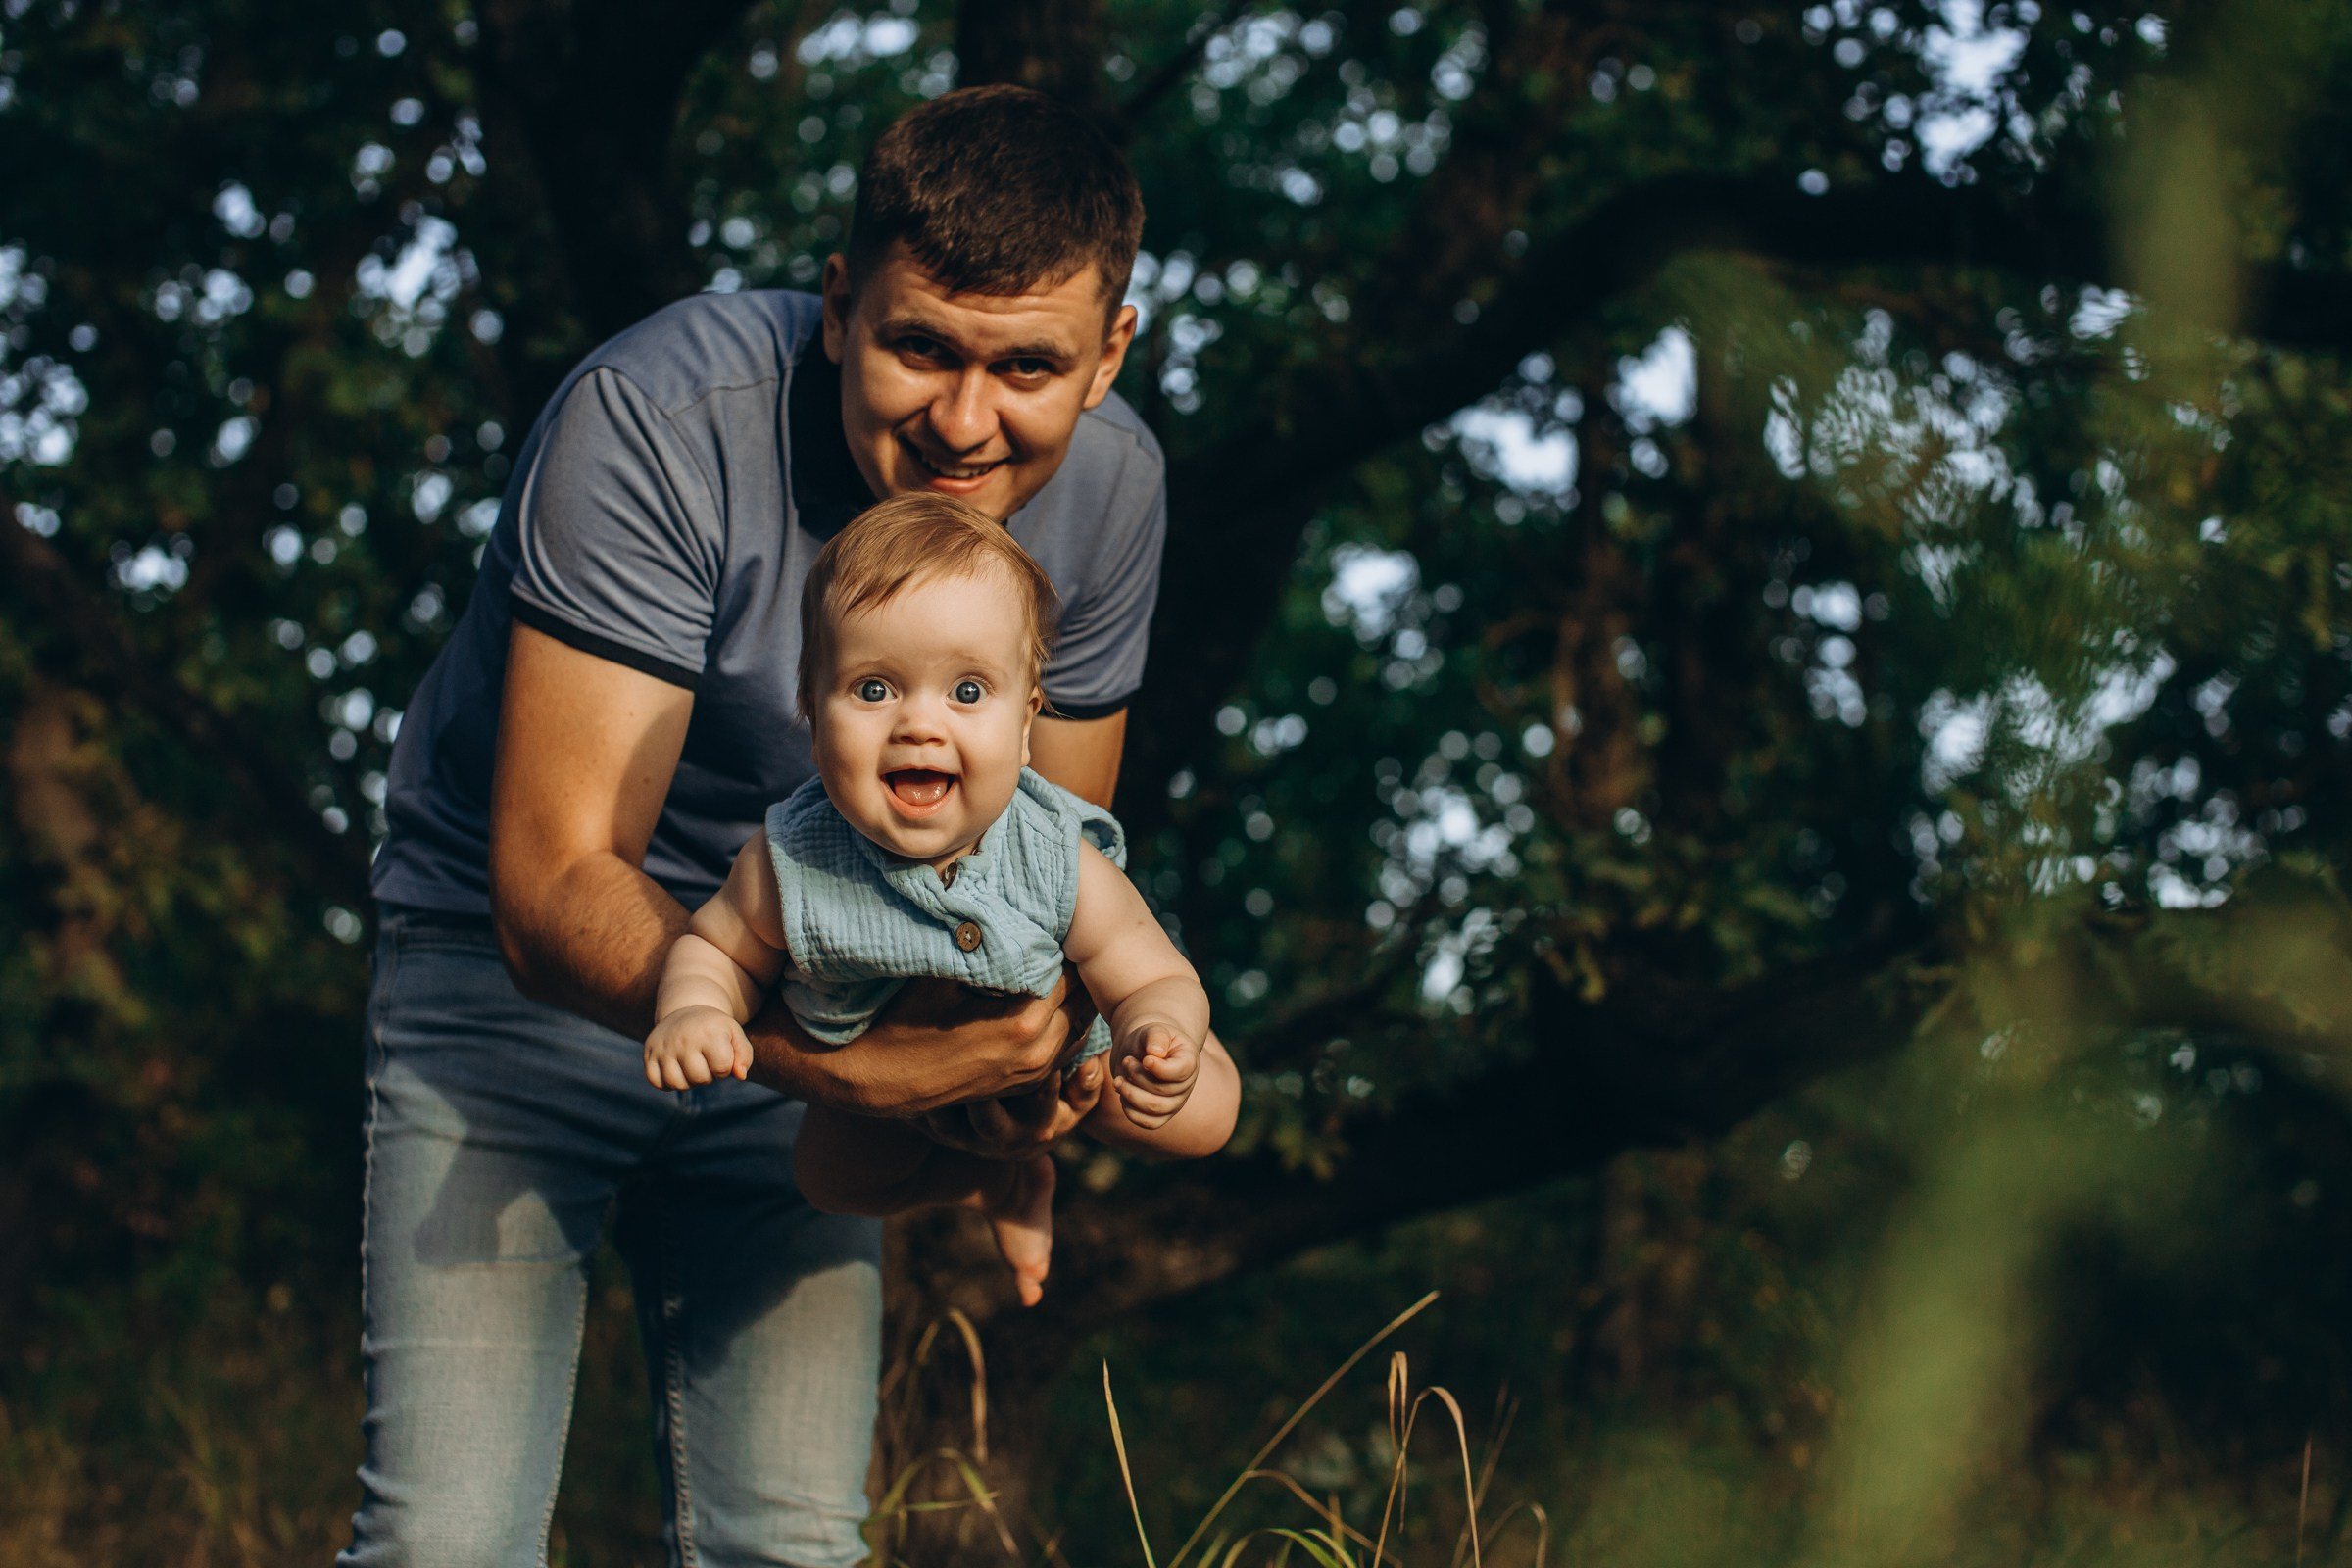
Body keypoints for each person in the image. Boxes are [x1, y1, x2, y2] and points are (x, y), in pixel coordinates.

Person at [347, 85, 1171, 1568]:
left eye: (1026, 367)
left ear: (1110, 352)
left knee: (787, 1545)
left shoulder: (1113, 499)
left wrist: (1003, 1111)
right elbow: (553, 882)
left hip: (833, 983)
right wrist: (861, 1064)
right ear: (844, 302)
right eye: (920, 346)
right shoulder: (659, 419)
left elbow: (1022, 882)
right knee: (446, 1543)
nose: (964, 423)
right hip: (512, 977)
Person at [644, 496, 1238, 1307]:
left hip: (1064, 1067)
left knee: (1204, 1114)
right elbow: (713, 949)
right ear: (812, 713)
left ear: (1027, 722)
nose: (920, 724)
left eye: (966, 691)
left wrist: (1153, 1030)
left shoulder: (1055, 856)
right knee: (827, 1178)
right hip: (884, 1076)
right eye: (875, 687)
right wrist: (696, 1010)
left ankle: (1054, 1148)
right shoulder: (789, 862)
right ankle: (990, 1183)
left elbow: (1149, 972)